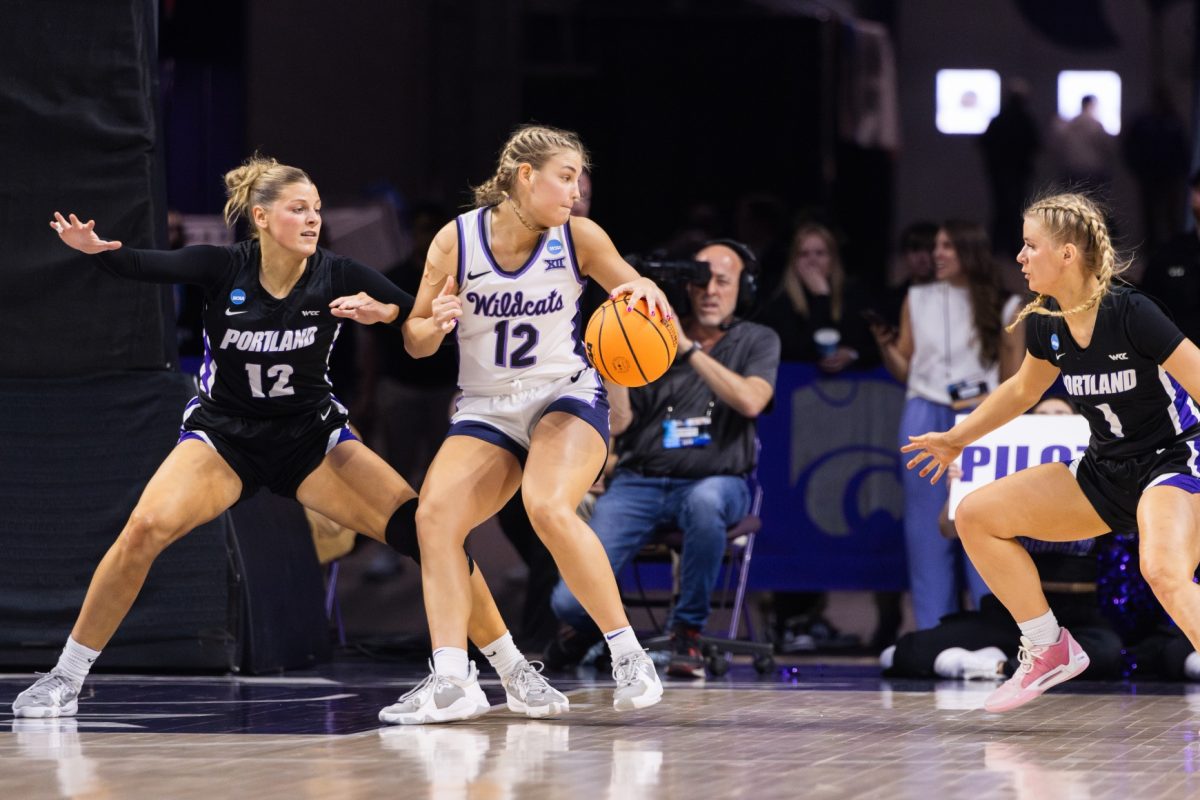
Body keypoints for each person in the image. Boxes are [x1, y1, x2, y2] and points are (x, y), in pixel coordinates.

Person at [12, 157, 566, 722]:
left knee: (428, 532)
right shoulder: (221, 267)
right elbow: (140, 264)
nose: (313, 219)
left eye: (318, 210)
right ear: (261, 216)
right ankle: (65, 677)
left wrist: (389, 313)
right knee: (142, 530)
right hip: (225, 437)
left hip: (311, 439)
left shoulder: (337, 273)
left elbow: (411, 316)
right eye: (298, 208)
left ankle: (514, 671)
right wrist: (96, 250)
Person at [389, 124, 672, 723]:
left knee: (546, 506)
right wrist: (432, 324)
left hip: (562, 394)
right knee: (433, 518)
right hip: (486, 406)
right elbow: (412, 341)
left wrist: (645, 291)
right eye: (566, 177)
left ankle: (628, 652)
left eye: (578, 180)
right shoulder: (455, 241)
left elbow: (634, 285)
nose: (576, 192)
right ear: (525, 176)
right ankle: (451, 678)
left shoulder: (580, 237)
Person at [903, 191, 1200, 712]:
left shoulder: (1132, 312)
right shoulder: (1045, 322)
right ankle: (1048, 647)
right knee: (977, 515)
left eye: (1029, 245)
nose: (1019, 257)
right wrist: (956, 438)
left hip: (1173, 458)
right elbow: (1021, 392)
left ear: (1067, 254)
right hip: (1106, 468)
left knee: (1163, 571)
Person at [547, 240, 781, 678]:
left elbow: (751, 401)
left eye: (723, 282)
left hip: (717, 479)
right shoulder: (651, 334)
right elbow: (621, 422)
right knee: (565, 602)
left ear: (743, 288)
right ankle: (605, 636)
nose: (710, 291)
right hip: (641, 480)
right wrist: (610, 350)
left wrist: (688, 349)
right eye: (700, 281)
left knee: (706, 502)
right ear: (686, 289)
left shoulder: (756, 339)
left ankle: (686, 633)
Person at [882, 397, 1123, 682]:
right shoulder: (1006, 467)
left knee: (1109, 656)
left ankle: (1000, 668)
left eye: (1060, 414)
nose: (1052, 420)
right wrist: (958, 493)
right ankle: (994, 663)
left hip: (1077, 614)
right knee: (902, 653)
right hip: (1009, 614)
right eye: (1043, 415)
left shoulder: (1096, 475)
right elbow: (948, 529)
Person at [871, 220, 1021, 630]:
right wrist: (886, 346)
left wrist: (1000, 423)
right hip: (924, 411)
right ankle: (932, 632)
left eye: (947, 246)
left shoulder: (1007, 306)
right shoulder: (915, 299)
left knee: (982, 519)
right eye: (936, 246)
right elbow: (906, 367)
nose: (937, 254)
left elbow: (1015, 382)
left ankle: (994, 628)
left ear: (969, 251)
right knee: (924, 527)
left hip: (982, 416)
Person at [757, 222, 868, 371]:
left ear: (832, 259)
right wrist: (821, 297)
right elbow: (798, 352)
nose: (812, 261)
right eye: (804, 254)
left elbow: (872, 344)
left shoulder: (853, 294)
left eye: (820, 253)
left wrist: (852, 354)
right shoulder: (780, 303)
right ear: (794, 262)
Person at [1140, 169, 1200, 346]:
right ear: (1192, 196)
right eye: (1198, 189)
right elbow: (1146, 312)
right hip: (1178, 360)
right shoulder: (1168, 253)